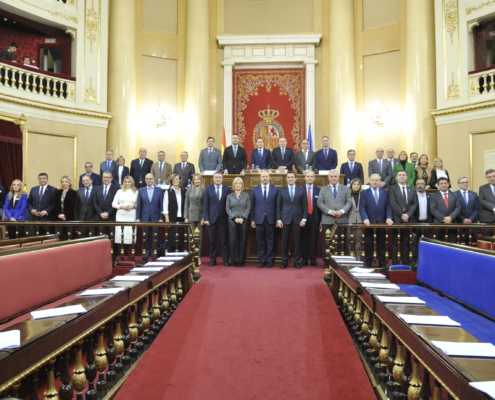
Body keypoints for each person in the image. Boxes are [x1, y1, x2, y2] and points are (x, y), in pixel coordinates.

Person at [359, 174, 394, 268]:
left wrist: (389, 217)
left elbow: (388, 206)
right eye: (373, 180)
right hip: (369, 222)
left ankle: (382, 263)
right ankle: (368, 263)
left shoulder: (385, 192)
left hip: (382, 222)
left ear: (379, 182)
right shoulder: (364, 193)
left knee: (382, 243)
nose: (375, 182)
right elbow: (362, 207)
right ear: (370, 181)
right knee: (369, 243)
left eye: (377, 180)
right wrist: (365, 218)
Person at [317, 170, 352, 256]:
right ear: (328, 178)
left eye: (335, 176)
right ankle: (327, 261)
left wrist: (342, 211)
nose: (333, 178)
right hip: (327, 219)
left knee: (340, 241)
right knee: (327, 242)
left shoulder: (345, 188)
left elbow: (349, 202)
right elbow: (319, 202)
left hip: (341, 219)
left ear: (338, 177)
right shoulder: (323, 189)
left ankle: (338, 262)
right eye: (331, 176)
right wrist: (329, 211)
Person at [277, 172, 307, 269]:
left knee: (297, 242)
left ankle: (297, 262)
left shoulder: (301, 190)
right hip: (285, 219)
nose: (290, 179)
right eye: (288, 177)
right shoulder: (282, 190)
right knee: (285, 242)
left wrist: (304, 219)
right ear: (286, 179)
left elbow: (305, 206)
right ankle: (284, 262)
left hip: (297, 220)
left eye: (292, 177)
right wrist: (278, 220)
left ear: (295, 178)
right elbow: (279, 207)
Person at [389, 170, 418, 266]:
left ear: (407, 178)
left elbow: (415, 203)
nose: (401, 177)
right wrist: (402, 215)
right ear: (396, 178)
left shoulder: (412, 190)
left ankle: (405, 263)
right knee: (395, 243)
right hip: (397, 219)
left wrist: (408, 214)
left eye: (403, 175)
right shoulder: (392, 188)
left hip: (408, 220)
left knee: (406, 243)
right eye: (400, 175)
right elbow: (393, 203)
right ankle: (395, 263)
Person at [251, 170, 279, 268]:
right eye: (263, 176)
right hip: (259, 219)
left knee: (271, 240)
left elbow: (278, 206)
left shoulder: (275, 189)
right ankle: (262, 259)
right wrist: (252, 219)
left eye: (267, 176)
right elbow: (252, 206)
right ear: (260, 178)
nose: (265, 178)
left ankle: (270, 260)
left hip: (271, 219)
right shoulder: (255, 190)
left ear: (269, 177)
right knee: (260, 240)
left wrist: (278, 219)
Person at [203, 172, 231, 266]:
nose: (218, 179)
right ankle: (212, 259)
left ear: (222, 179)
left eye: (220, 177)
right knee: (212, 241)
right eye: (216, 177)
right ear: (213, 179)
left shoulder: (227, 189)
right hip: (212, 218)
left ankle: (226, 259)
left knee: (224, 241)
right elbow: (205, 204)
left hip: (224, 218)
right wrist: (206, 218)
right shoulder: (208, 189)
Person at [137, 173, 164, 260]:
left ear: (153, 179)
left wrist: (161, 217)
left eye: (150, 179)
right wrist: (138, 218)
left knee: (155, 236)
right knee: (145, 237)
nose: (148, 180)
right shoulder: (141, 190)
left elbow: (161, 206)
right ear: (145, 180)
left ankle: (154, 253)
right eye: (147, 179)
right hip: (144, 217)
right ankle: (145, 253)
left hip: (156, 217)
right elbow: (139, 205)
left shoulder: (159, 190)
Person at [226, 177, 251, 267]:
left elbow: (248, 207)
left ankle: (241, 260)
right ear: (234, 185)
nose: (238, 185)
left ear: (242, 185)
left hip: (244, 220)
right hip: (232, 221)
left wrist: (243, 218)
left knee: (242, 240)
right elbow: (227, 208)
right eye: (236, 183)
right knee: (233, 240)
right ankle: (235, 260)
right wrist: (234, 218)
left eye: (239, 183)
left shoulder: (246, 195)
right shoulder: (229, 196)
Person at [112, 176, 139, 258]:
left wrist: (133, 206)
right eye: (126, 182)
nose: (127, 183)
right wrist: (123, 207)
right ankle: (121, 256)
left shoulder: (136, 192)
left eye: (129, 182)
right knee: (121, 235)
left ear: (132, 183)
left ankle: (131, 256)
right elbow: (114, 204)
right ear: (124, 183)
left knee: (131, 235)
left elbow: (139, 205)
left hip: (132, 216)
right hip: (121, 216)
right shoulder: (119, 191)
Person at [430, 177, 461, 243]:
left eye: (445, 183)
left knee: (452, 244)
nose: (443, 185)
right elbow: (433, 209)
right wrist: (445, 219)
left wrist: (450, 218)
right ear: (438, 185)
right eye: (441, 183)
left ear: (448, 184)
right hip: (439, 223)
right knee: (438, 244)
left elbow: (458, 207)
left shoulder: (454, 195)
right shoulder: (434, 196)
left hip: (452, 222)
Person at [300, 170, 321, 266]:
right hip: (303, 218)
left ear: (314, 178)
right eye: (307, 176)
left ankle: (313, 259)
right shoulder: (300, 190)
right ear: (304, 178)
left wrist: (320, 221)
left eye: (311, 176)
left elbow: (320, 207)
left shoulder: (319, 190)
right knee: (304, 239)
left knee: (314, 239)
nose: (309, 178)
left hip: (314, 218)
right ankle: (304, 259)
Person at [163, 174, 186, 252]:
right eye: (174, 179)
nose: (175, 181)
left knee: (181, 239)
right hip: (172, 218)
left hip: (182, 218)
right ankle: (173, 255)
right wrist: (167, 219)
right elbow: (165, 206)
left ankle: (180, 255)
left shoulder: (184, 191)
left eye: (177, 179)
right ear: (171, 181)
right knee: (172, 239)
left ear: (180, 180)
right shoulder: (168, 191)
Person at [411, 178, 432, 266]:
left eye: (422, 184)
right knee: (414, 243)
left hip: (426, 223)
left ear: (425, 185)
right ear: (415, 186)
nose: (420, 185)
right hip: (416, 222)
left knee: (426, 243)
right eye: (418, 184)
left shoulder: (430, 196)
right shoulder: (412, 196)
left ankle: (425, 261)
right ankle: (413, 261)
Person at [184, 173, 205, 256]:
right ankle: (191, 256)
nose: (196, 181)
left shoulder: (204, 190)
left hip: (200, 216)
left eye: (198, 179)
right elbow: (186, 203)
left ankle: (198, 256)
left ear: (201, 180)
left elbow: (205, 204)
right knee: (191, 238)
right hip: (191, 215)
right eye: (195, 179)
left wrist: (204, 217)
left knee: (199, 238)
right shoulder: (189, 190)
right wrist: (186, 217)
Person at [94, 171, 120, 237]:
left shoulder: (116, 188)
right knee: (101, 238)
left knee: (111, 237)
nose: (106, 179)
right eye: (104, 177)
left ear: (111, 178)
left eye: (108, 177)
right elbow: (95, 202)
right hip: (100, 217)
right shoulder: (97, 188)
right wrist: (100, 213)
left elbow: (117, 202)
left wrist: (108, 213)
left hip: (111, 217)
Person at [455, 176, 480, 245]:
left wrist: (470, 219)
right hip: (459, 222)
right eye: (463, 182)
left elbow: (477, 208)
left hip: (471, 223)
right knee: (459, 244)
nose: (465, 184)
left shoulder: (474, 194)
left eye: (466, 182)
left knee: (471, 243)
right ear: (458, 184)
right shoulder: (454, 194)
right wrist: (463, 219)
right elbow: (454, 209)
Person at [53, 176, 77, 240]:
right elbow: (54, 205)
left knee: (69, 237)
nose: (64, 183)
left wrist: (64, 215)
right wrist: (59, 214)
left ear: (69, 183)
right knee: (60, 237)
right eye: (63, 182)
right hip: (58, 219)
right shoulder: (58, 192)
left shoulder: (73, 193)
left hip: (69, 218)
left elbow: (73, 206)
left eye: (66, 181)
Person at [346, 178, 363, 261]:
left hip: (360, 220)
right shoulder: (348, 195)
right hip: (349, 220)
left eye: (358, 184)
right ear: (351, 185)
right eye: (354, 184)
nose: (356, 186)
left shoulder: (363, 195)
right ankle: (351, 258)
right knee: (350, 241)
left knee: (359, 241)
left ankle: (358, 259)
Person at [478, 169, 495, 236]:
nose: (492, 178)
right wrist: (493, 208)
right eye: (489, 177)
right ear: (486, 178)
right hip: (488, 218)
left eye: (493, 176)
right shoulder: (482, 188)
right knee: (487, 239)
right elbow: (481, 200)